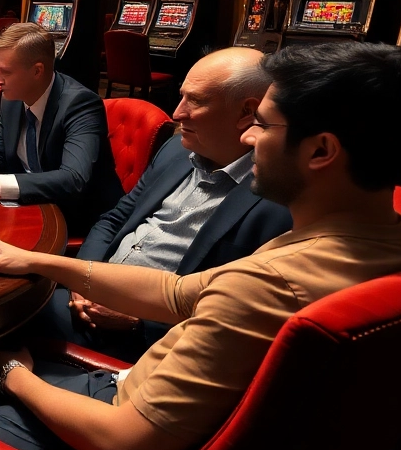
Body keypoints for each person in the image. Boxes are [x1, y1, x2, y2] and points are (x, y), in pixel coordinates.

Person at [0, 41, 401, 450]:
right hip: (154, 403)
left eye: (263, 125)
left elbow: (125, 446)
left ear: (321, 151)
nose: (248, 137)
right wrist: (39, 262)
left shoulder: (268, 283)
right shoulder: (374, 240)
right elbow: (178, 291)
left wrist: (10, 374)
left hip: (118, 437)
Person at [41, 48, 292, 361]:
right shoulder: (176, 148)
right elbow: (114, 218)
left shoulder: (278, 197)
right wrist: (86, 279)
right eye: (181, 96)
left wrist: (137, 324)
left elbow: (242, 319)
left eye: (196, 100)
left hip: (151, 342)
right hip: (87, 294)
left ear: (246, 112)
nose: (176, 113)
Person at [0, 22, 121, 236]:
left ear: (37, 71)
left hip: (80, 220)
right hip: (31, 205)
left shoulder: (80, 105)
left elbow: (74, 179)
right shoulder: (12, 98)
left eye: (6, 72)